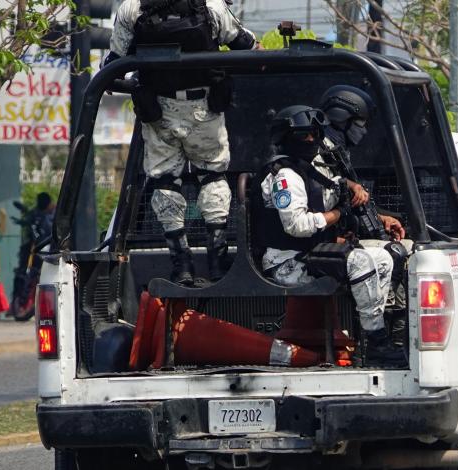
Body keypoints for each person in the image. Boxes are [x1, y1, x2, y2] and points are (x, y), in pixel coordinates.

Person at [106, 0, 259, 285]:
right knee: (212, 176)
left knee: (164, 182)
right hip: (203, 109)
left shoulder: (132, 7)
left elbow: (114, 62)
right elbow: (244, 44)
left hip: (158, 111)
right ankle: (216, 258)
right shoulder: (209, 4)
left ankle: (182, 263)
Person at [260, 105, 406, 365]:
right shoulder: (284, 176)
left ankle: (373, 338)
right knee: (359, 261)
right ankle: (377, 342)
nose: (312, 140)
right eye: (304, 135)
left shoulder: (307, 169)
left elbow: (333, 185)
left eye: (315, 133)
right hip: (286, 263)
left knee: (383, 259)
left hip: (309, 254)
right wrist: (337, 214)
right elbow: (297, 226)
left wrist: (351, 192)